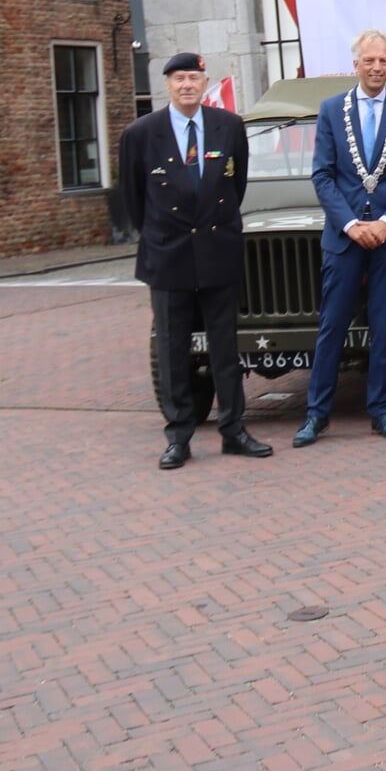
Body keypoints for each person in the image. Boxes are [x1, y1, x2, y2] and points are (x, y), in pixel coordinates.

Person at [120, 52, 272, 469]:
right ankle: (179, 436)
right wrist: (159, 235)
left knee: (226, 347)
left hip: (217, 249)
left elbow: (234, 185)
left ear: (205, 83)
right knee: (172, 350)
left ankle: (234, 429)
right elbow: (134, 199)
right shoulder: (141, 133)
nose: (187, 85)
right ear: (167, 85)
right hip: (168, 255)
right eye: (179, 78)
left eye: (194, 78)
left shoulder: (229, 126)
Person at [294, 30, 386, 446]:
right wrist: (351, 224)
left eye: (383, 61)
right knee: (332, 325)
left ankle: (381, 410)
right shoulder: (331, 110)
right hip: (344, 237)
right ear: (355, 63)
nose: (376, 68)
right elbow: (323, 174)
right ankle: (317, 414)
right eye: (369, 61)